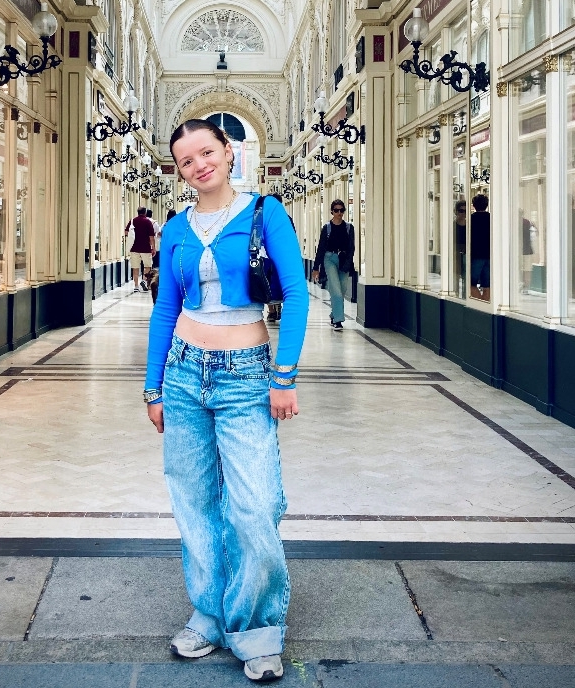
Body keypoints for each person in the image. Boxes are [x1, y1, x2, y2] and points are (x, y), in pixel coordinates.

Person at [144, 118, 308, 682]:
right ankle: (211, 614)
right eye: (186, 161)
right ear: (179, 171)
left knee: (254, 505)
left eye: (207, 152)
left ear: (229, 152)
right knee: (194, 502)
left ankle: (257, 628)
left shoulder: (265, 212)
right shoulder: (175, 228)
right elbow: (166, 309)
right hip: (185, 373)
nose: (199, 165)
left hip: (246, 376)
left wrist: (283, 376)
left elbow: (296, 294)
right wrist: (154, 386)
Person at [311, 199, 355, 331]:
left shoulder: (349, 228)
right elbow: (321, 248)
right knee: (336, 290)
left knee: (342, 290)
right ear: (332, 212)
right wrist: (316, 268)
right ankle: (338, 320)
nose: (339, 213)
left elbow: (351, 248)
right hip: (329, 259)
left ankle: (333, 314)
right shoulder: (327, 228)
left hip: (344, 260)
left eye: (341, 210)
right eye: (336, 210)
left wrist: (348, 263)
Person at [266, 193, 295, 323]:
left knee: (274, 282)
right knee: (270, 282)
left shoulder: (284, 219)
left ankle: (275, 309)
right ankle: (273, 309)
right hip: (271, 257)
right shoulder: (265, 218)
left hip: (277, 256)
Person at [125, 206, 155, 292]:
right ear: (145, 213)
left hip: (134, 248)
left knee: (135, 267)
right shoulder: (148, 222)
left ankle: (136, 286)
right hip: (146, 248)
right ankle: (144, 281)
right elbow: (151, 237)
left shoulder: (132, 221)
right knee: (147, 266)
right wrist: (153, 248)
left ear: (138, 212)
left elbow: (126, 232)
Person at [470, 193, 490, 301]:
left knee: (471, 283)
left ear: (474, 205)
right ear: (487, 205)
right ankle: (486, 304)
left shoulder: (471, 219)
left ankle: (480, 303)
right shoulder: (492, 218)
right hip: (489, 255)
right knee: (487, 286)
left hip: (476, 255)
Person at [519, 208, 534, 293]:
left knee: (519, 268)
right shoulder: (527, 222)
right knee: (527, 269)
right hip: (527, 249)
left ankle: (522, 285)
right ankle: (526, 287)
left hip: (519, 250)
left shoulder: (515, 223)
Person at [454, 200, 467, 298]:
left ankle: (465, 296)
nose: (463, 213)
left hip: (467, 253)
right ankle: (455, 295)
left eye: (465, 211)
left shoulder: (470, 225)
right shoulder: (453, 225)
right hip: (455, 253)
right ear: (456, 211)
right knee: (455, 276)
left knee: (466, 276)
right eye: (461, 211)